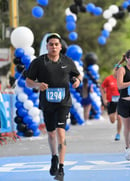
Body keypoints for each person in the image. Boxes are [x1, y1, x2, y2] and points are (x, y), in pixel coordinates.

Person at [25, 33, 82, 181]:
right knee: (51, 134)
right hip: (47, 103)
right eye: (51, 44)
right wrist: (38, 85)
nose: (54, 47)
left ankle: (61, 168)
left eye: (56, 44)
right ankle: (54, 157)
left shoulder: (67, 61)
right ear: (47, 46)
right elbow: (28, 81)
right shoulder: (39, 62)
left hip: (63, 103)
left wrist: (77, 81)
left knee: (61, 133)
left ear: (60, 46)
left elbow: (77, 75)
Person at [100, 65, 122, 141]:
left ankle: (118, 134)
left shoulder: (122, 79)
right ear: (114, 70)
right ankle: (115, 115)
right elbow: (102, 87)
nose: (117, 71)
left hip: (120, 101)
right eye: (116, 69)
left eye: (119, 70)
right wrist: (104, 99)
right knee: (112, 120)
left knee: (119, 117)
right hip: (111, 101)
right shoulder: (108, 79)